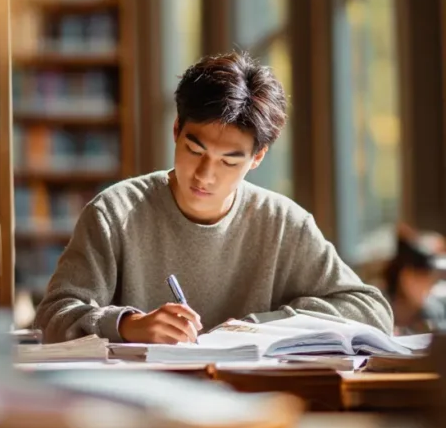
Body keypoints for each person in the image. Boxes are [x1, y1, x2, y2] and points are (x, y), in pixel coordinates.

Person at [34, 51, 393, 343]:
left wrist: (262, 326)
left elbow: (371, 309)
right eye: (194, 150)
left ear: (257, 158)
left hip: (255, 402)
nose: (205, 175)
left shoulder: (284, 223)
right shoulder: (115, 211)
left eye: (228, 161)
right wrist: (127, 325)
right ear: (176, 130)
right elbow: (52, 314)